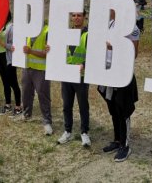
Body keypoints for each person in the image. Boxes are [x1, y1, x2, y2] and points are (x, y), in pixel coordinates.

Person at [98, 9, 140, 162]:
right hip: (108, 72)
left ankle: (125, 145)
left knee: (124, 108)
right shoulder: (108, 24)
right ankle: (117, 140)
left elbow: (134, 53)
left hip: (123, 73)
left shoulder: (132, 28)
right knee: (113, 107)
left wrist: (115, 47)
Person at [55, 10, 91, 147]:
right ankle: (68, 131)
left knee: (83, 105)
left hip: (81, 76)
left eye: (79, 15)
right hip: (66, 75)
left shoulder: (88, 35)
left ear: (84, 17)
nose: (76, 18)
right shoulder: (66, 34)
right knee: (66, 105)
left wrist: (84, 64)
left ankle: (84, 133)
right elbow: (59, 51)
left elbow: (94, 54)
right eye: (74, 15)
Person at [18, 24, 53, 136]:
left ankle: (47, 122)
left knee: (43, 95)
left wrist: (31, 52)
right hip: (27, 67)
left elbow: (49, 54)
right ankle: (26, 114)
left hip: (41, 70)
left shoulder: (47, 30)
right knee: (26, 92)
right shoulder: (28, 29)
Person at [0, 11, 22, 116]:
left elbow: (14, 47)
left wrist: (1, 43)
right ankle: (8, 104)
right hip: (0, 57)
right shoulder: (0, 28)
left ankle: (18, 106)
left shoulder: (12, 27)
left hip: (9, 58)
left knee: (13, 82)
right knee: (5, 82)